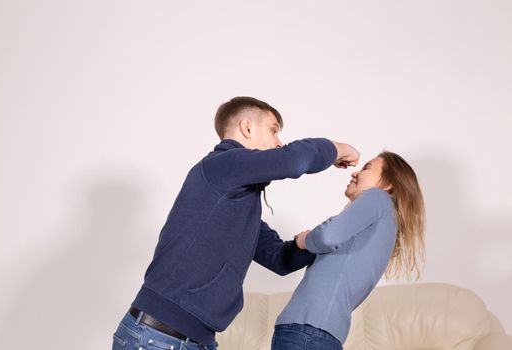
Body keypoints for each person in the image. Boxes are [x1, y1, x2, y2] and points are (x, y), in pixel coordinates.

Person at [112, 96, 360, 350]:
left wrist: (311, 241)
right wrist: (338, 147)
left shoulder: (235, 201)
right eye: (274, 130)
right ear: (247, 128)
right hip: (159, 338)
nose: (279, 142)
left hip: (190, 341)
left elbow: (279, 259)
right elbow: (294, 160)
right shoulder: (222, 165)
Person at [272, 151, 426, 350]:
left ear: (388, 184)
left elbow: (328, 236)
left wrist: (304, 239)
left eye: (367, 168)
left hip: (307, 331)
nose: (354, 174)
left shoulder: (377, 198)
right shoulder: (383, 224)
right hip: (319, 334)